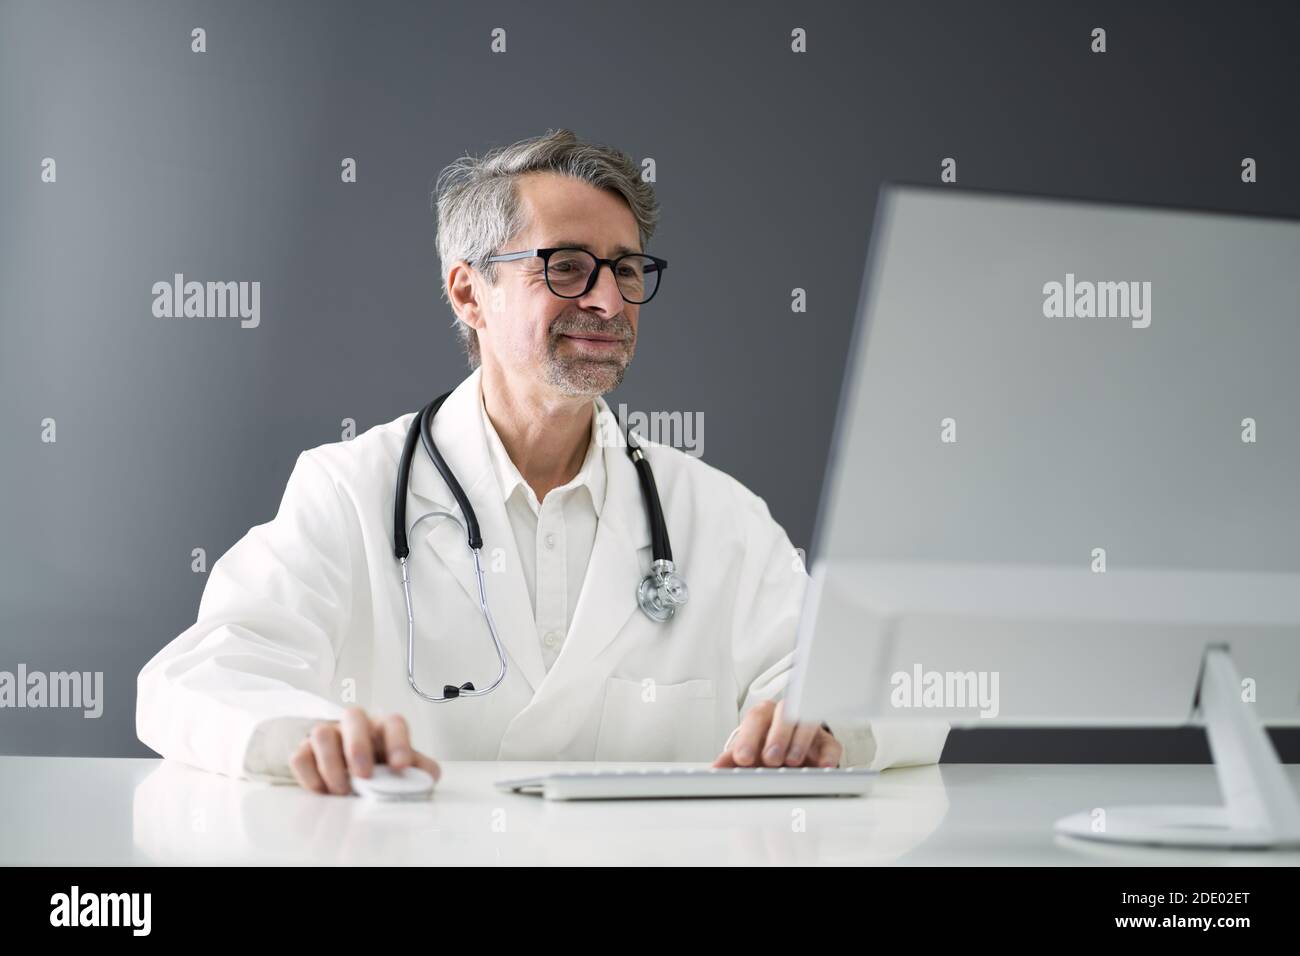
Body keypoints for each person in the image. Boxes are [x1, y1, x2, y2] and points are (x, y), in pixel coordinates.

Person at [136, 128, 948, 795]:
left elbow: (904, 690)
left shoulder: (715, 515)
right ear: (468, 293)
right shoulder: (350, 491)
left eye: (626, 270)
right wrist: (307, 737)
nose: (605, 300)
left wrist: (827, 722)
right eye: (566, 266)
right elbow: (194, 680)